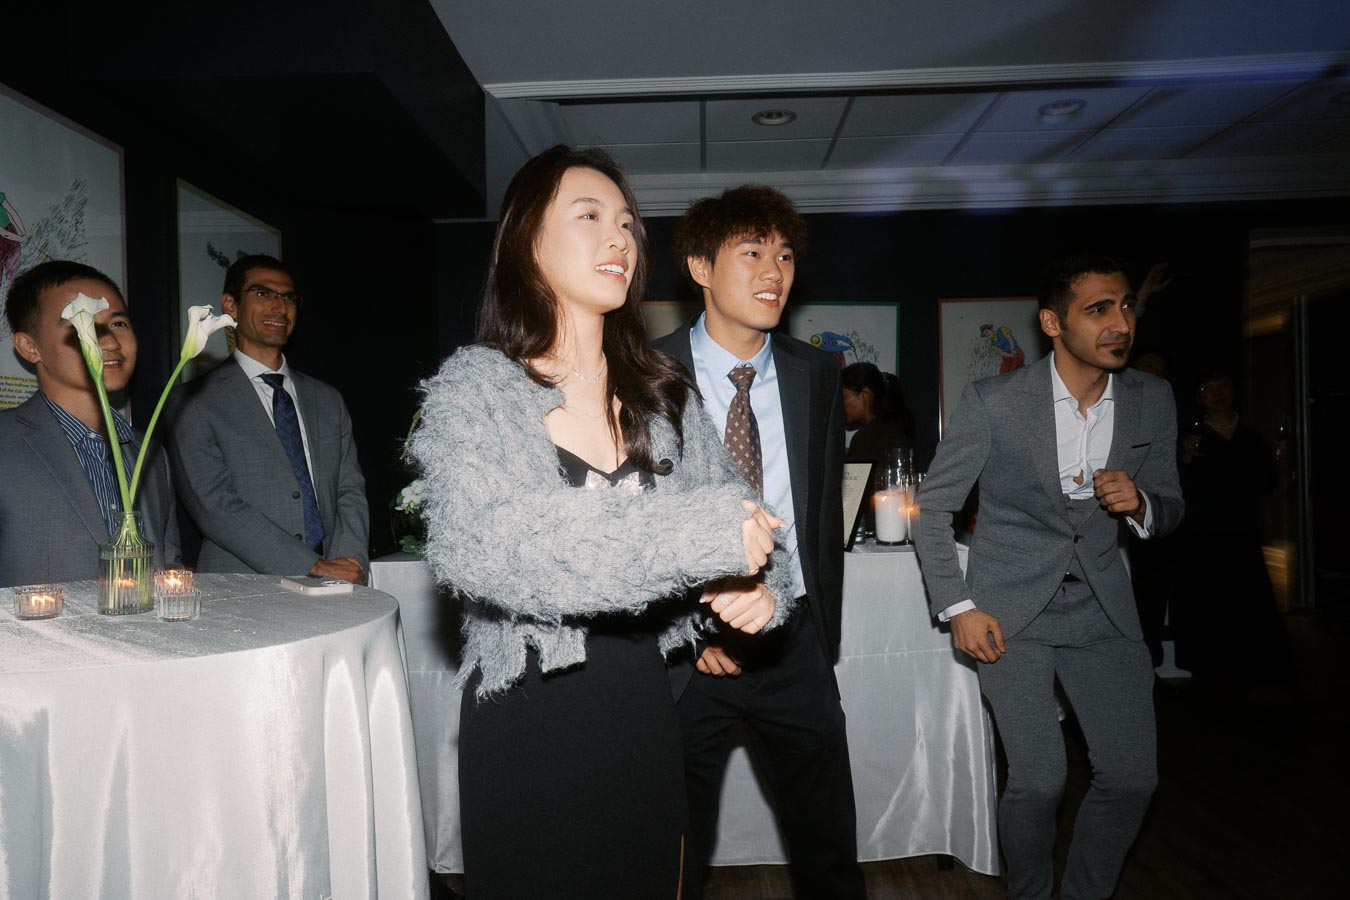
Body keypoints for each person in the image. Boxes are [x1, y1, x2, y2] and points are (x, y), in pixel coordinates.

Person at [408, 146, 791, 899]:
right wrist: (701, 540)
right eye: (589, 217)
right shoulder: (476, 387)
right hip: (526, 720)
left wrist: (758, 588)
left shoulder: (665, 397)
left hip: (644, 712)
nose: (619, 238)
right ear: (526, 241)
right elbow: (489, 548)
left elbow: (747, 523)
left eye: (627, 224)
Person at [915, 252, 1184, 900]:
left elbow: (1171, 503)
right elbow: (934, 511)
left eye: (1126, 306)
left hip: (1103, 610)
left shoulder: (1152, 398)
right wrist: (959, 608)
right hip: (1010, 612)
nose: (1120, 322)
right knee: (1038, 780)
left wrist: (1143, 504)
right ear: (1052, 323)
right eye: (1099, 309)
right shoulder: (996, 402)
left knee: (1131, 778)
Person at [654, 184, 866, 900]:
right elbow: (631, 521)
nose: (775, 271)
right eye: (751, 252)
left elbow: (817, 510)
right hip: (687, 660)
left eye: (783, 255)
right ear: (699, 266)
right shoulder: (644, 375)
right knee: (672, 852)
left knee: (828, 843)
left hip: (794, 643)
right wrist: (686, 628)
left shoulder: (815, 374)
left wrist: (811, 625)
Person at [167, 255, 368, 582]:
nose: (279, 307)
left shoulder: (327, 400)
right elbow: (216, 507)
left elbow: (350, 491)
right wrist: (311, 565)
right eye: (263, 294)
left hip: (336, 586)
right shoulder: (195, 401)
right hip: (241, 589)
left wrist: (348, 563)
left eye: (289, 298)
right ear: (230, 305)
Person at [1, 260, 180, 586]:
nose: (110, 342)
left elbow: (167, 561)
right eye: (79, 323)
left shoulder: (149, 452)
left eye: (119, 324)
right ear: (30, 347)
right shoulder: (6, 444)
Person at [1175, 370, 1295, 686]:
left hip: (1243, 530)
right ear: (1198, 396)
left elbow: (1267, 483)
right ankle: (1211, 672)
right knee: (1208, 602)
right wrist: (1186, 457)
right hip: (1203, 532)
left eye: (1223, 386)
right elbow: (1176, 488)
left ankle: (1258, 669)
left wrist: (1277, 462)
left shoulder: (1252, 436)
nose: (1217, 393)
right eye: (1208, 387)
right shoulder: (1190, 436)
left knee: (1251, 601)